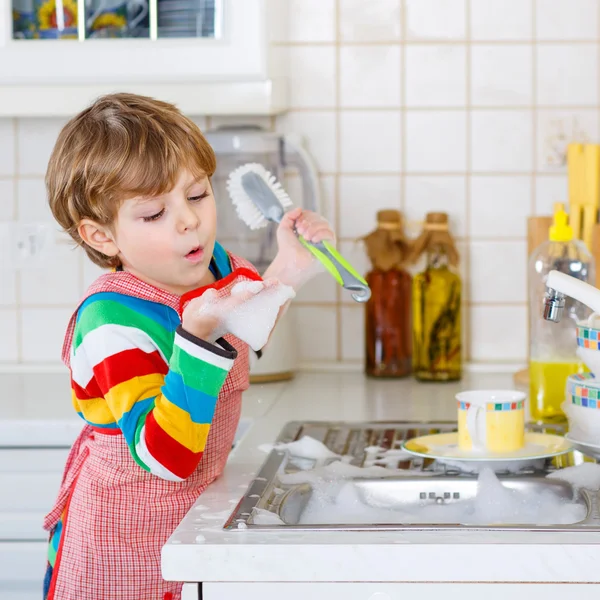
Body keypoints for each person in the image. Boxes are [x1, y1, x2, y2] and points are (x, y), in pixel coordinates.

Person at [42, 92, 334, 600]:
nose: (188, 221)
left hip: (194, 513)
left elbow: (249, 323)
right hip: (123, 533)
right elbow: (167, 456)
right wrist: (194, 341)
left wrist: (290, 267)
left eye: (197, 195)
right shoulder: (110, 322)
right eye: (154, 212)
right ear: (102, 236)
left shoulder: (213, 264)